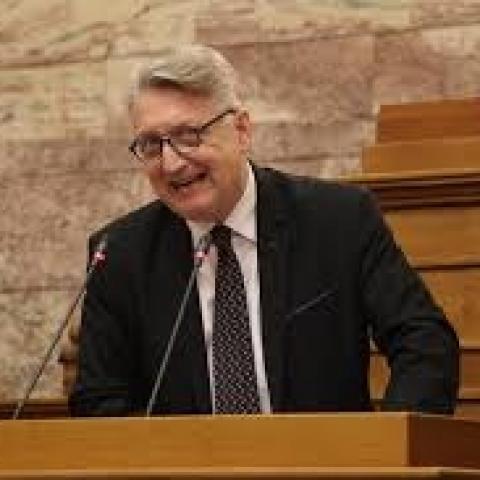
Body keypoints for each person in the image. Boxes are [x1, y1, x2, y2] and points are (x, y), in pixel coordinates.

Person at [68, 44, 459, 417]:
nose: (172, 163)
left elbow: (425, 343)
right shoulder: (119, 254)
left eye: (189, 136)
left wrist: (386, 448)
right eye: (152, 144)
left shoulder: (339, 220)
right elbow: (99, 400)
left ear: (241, 130)